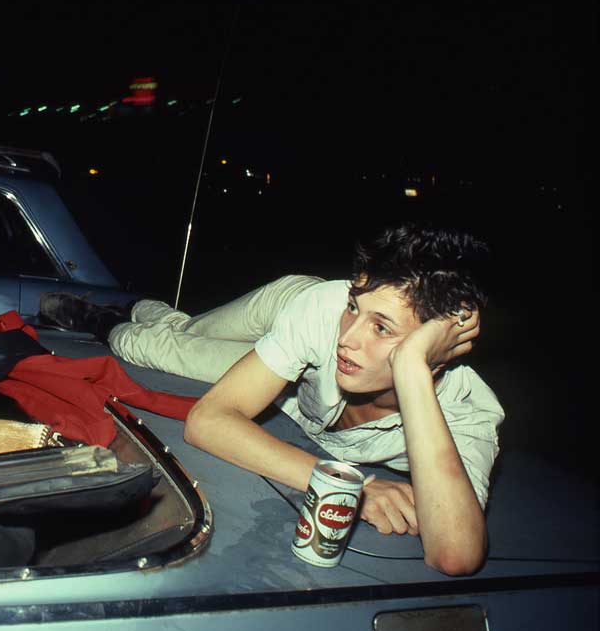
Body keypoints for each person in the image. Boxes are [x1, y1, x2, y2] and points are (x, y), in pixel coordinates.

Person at [41, 224, 503, 575]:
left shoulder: (467, 409)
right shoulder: (325, 310)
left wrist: (413, 370)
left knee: (164, 347)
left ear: (438, 351)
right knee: (179, 338)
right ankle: (122, 310)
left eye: (382, 328)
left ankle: (121, 320)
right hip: (290, 304)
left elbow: (455, 554)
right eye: (354, 308)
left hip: (297, 379)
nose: (348, 337)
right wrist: (350, 489)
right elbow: (208, 421)